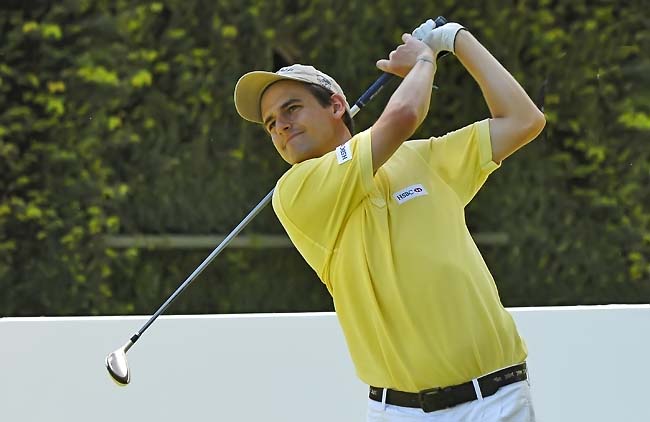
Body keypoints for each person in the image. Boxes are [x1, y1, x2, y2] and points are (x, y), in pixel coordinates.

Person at [234, 19, 545, 422]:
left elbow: (524, 120)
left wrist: (456, 38)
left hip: (498, 400)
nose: (281, 126)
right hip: (400, 411)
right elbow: (402, 115)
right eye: (271, 123)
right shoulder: (296, 191)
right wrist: (424, 61)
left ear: (336, 106)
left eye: (291, 108)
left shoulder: (423, 158)